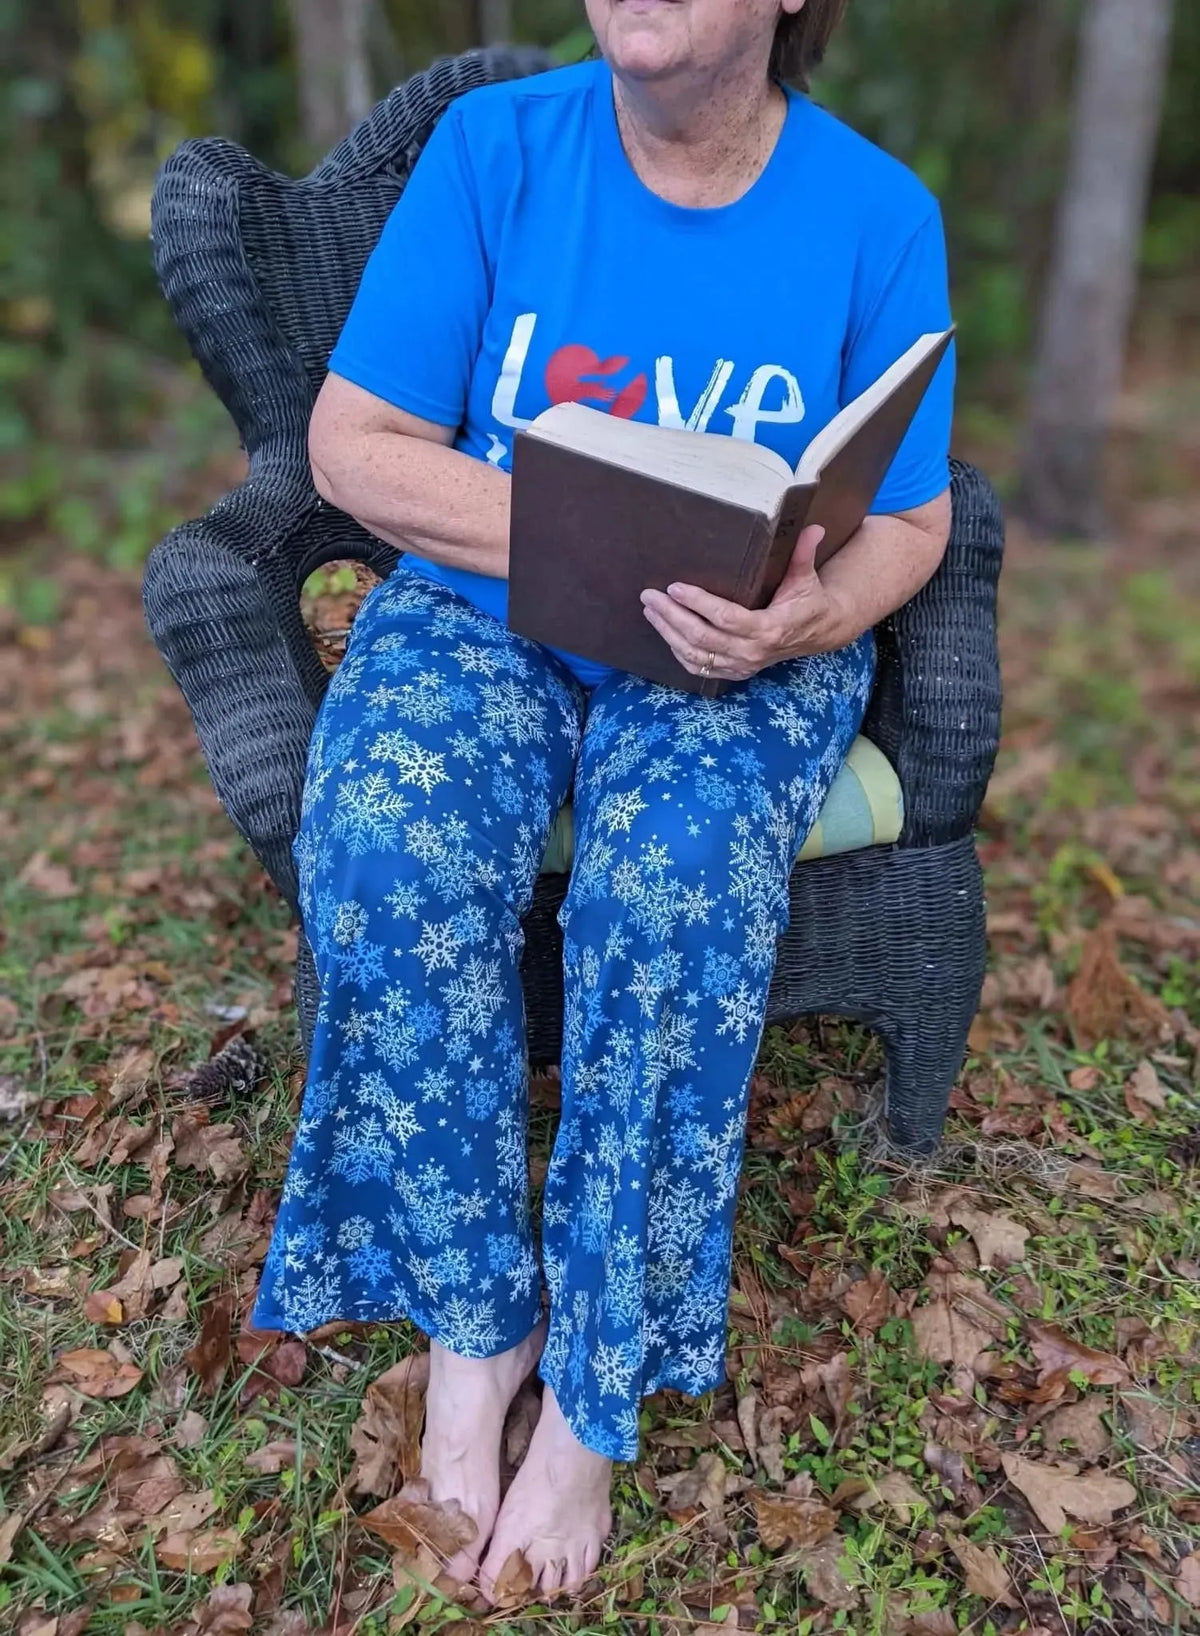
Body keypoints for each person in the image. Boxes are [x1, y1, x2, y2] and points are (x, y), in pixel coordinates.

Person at [253, 0, 955, 1601]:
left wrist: (809, 618)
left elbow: (908, 524)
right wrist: (571, 522)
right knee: (386, 839)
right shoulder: (496, 152)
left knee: (677, 876)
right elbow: (354, 445)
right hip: (486, 604)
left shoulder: (873, 214)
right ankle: (474, 1326)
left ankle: (591, 1386)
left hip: (732, 647)